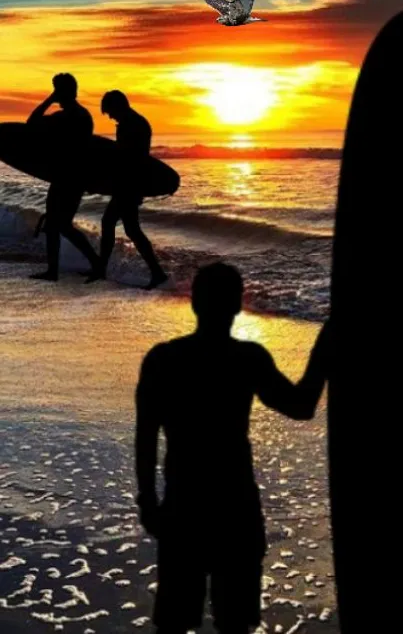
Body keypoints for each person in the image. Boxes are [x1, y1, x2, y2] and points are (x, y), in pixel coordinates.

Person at [135, 262, 330, 634]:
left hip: (183, 506)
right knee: (235, 624)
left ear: (193, 303)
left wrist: (147, 501)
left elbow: (145, 436)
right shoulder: (248, 359)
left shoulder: (162, 360)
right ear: (238, 305)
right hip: (235, 507)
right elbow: (301, 406)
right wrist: (322, 349)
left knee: (174, 624)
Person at [88, 90, 167, 289]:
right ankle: (156, 273)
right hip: (128, 184)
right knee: (131, 229)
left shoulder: (133, 125)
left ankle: (102, 270)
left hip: (129, 184)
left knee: (114, 224)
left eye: (110, 112)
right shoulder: (132, 122)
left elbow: (130, 159)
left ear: (118, 106)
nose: (110, 116)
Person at [27, 73, 101, 281]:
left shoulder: (68, 116)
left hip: (68, 177)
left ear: (62, 91)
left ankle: (92, 264)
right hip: (71, 176)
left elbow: (31, 122)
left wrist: (49, 100)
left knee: (61, 225)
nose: (54, 94)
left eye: (56, 89)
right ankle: (58, 270)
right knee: (57, 224)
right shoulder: (81, 115)